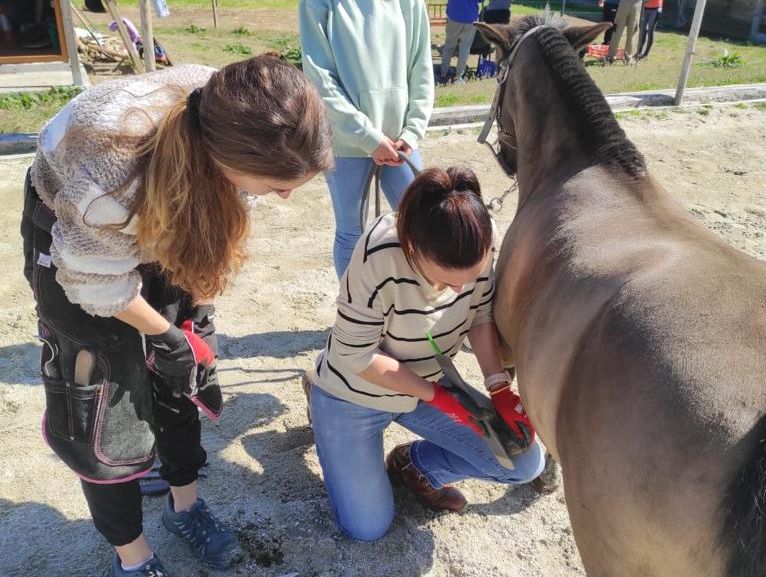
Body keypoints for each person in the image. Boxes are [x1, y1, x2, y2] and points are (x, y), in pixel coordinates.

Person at [21, 56, 332, 576]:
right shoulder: (109, 175)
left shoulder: (233, 110)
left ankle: (184, 504)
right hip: (80, 243)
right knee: (103, 403)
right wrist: (161, 332)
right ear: (222, 159)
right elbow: (97, 283)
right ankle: (132, 556)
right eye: (278, 184)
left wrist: (186, 328)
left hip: (160, 200)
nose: (286, 196)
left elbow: (212, 232)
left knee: (182, 372)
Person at [303, 167, 545, 541]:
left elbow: (479, 312)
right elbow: (359, 357)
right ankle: (318, 393)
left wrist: (498, 386)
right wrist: (439, 398)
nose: (458, 290)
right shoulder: (379, 253)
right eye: (448, 282)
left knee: (525, 461)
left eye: (471, 277)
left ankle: (414, 464)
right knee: (367, 527)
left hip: (428, 384)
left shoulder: (479, 237)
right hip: (355, 390)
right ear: (412, 246)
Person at [299, 0, 434, 279]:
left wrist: (412, 130)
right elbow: (320, 78)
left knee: (421, 226)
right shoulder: (317, 4)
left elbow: (421, 66)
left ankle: (415, 309)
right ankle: (354, 316)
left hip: (401, 141)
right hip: (346, 141)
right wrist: (368, 137)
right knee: (351, 231)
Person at [440, 0, 482, 83]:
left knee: (449, 46)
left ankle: (443, 72)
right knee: (465, 49)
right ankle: (458, 76)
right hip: (470, 17)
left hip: (454, 15)